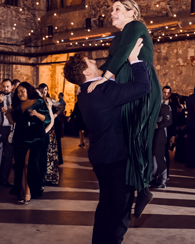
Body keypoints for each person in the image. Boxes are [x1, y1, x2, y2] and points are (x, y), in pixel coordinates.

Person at [63, 38, 150, 244]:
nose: (96, 62)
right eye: (91, 62)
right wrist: (135, 60)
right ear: (86, 72)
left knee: (106, 205)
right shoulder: (102, 91)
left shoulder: (86, 92)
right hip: (116, 158)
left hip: (101, 157)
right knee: (119, 211)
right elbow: (143, 86)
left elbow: (105, 69)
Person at [86, 0, 161, 213]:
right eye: (112, 9)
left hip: (140, 80)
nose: (112, 13)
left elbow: (125, 52)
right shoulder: (119, 35)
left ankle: (144, 185)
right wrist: (94, 77)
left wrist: (105, 78)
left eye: (117, 9)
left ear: (132, 12)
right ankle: (141, 190)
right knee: (128, 138)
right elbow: (111, 61)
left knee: (137, 136)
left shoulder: (135, 26)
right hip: (125, 79)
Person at [7, 82, 52, 204]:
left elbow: (47, 119)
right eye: (18, 92)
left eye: (22, 91)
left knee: (29, 163)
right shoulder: (16, 104)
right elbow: (12, 122)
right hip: (20, 136)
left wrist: (36, 114)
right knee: (20, 164)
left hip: (35, 137)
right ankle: (22, 190)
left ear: (28, 91)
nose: (20, 94)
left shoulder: (38, 102)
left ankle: (28, 190)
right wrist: (7, 113)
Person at [38, 84, 64, 185]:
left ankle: (51, 176)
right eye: (42, 89)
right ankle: (42, 176)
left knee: (51, 151)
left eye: (46, 89)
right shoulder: (36, 101)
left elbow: (61, 107)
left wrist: (55, 115)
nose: (44, 91)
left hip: (50, 127)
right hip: (41, 126)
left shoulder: (49, 100)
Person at [151, 101, 172, 188]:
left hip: (160, 137)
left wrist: (157, 125)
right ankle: (153, 178)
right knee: (153, 158)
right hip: (152, 137)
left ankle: (162, 181)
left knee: (160, 157)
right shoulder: (151, 105)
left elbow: (169, 121)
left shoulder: (165, 107)